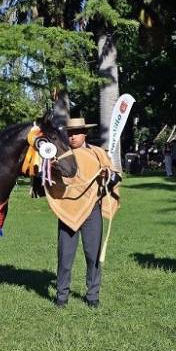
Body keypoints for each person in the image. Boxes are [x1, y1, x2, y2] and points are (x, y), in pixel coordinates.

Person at [44, 117, 122, 309]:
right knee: (65, 256)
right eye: (69, 133)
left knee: (93, 255)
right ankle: (62, 297)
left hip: (91, 211)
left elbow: (116, 176)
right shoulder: (60, 155)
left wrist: (108, 175)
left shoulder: (97, 153)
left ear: (84, 134)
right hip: (68, 213)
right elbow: (47, 181)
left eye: (77, 132)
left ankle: (93, 296)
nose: (72, 137)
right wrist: (50, 170)